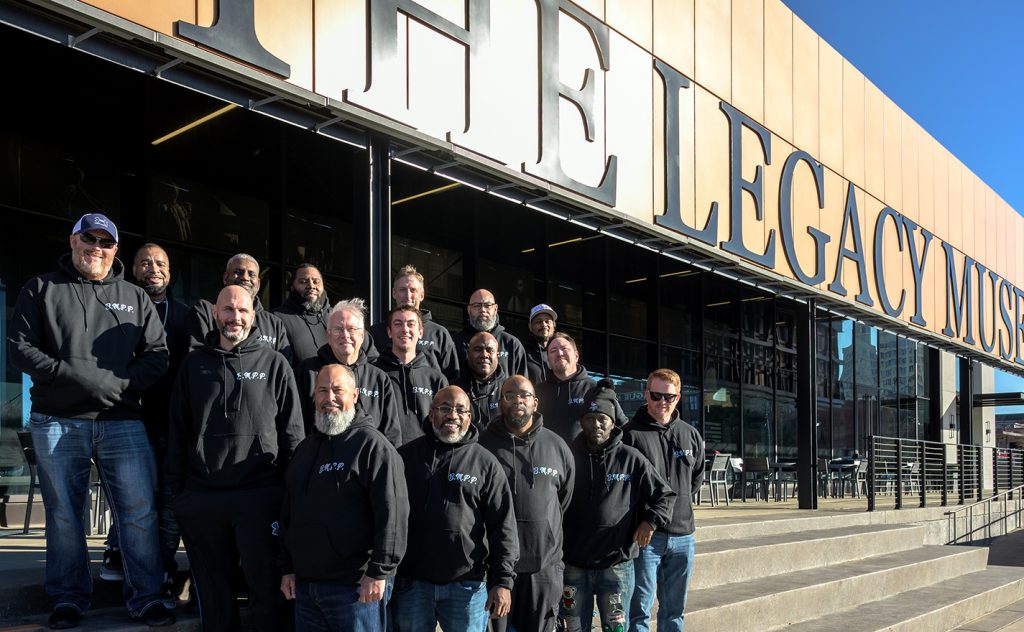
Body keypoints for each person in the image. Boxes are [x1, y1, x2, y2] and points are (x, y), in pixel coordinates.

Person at [10, 213, 173, 629]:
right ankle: (68, 598)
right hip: (57, 421)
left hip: (122, 422)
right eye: (89, 238)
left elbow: (158, 356)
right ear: (73, 240)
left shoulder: (133, 297)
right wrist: (71, 375)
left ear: (115, 250)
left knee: (138, 513)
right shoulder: (41, 288)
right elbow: (20, 348)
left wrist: (120, 384)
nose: (95, 248)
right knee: (65, 515)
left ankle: (147, 597)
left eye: (105, 242)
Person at [166, 285, 305, 632]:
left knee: (267, 587)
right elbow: (178, 432)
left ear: (253, 315)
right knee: (214, 593)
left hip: (260, 495)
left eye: (242, 310)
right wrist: (178, 496)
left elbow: (292, 434)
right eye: (228, 309)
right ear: (215, 313)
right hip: (202, 495)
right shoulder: (193, 365)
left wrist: (292, 494)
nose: (235, 317)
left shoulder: (275, 363)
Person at [279, 364, 409, 632]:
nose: (330, 398)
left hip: (355, 590)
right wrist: (286, 567)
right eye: (322, 391)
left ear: (355, 394)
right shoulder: (305, 450)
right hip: (306, 588)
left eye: (338, 390)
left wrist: (379, 572)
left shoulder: (373, 447)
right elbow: (288, 514)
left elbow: (393, 515)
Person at [392, 386, 519, 632]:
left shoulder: (485, 463)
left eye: (461, 410)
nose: (453, 415)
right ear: (431, 414)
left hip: (467, 587)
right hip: (411, 584)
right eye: (445, 408)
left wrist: (502, 581)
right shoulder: (404, 458)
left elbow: (503, 526)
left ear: (469, 417)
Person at [560, 380, 675, 632]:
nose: (596, 424)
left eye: (602, 418)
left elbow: (665, 496)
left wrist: (650, 521)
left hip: (616, 566)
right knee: (572, 629)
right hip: (573, 564)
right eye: (590, 418)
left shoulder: (631, 458)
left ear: (613, 422)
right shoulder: (566, 456)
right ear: (582, 421)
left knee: (617, 629)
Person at [479, 376, 574, 632]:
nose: (518, 400)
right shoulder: (481, 446)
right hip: (494, 569)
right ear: (500, 402)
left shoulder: (557, 446)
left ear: (535, 402)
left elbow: (563, 500)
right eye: (510, 395)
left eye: (524, 395)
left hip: (543, 569)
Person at [624, 369, 704, 632]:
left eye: (668, 397)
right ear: (647, 394)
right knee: (639, 611)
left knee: (674, 611)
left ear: (678, 398)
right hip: (646, 536)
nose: (662, 402)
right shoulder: (630, 434)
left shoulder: (690, 434)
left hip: (683, 535)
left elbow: (695, 480)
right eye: (656, 396)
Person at [297, 298, 402, 445]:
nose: (345, 335)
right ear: (328, 335)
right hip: (320, 460)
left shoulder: (378, 378)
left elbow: (391, 434)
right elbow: (296, 425)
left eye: (351, 329)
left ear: (362, 335)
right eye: (338, 329)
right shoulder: (308, 371)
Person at [186, 253, 292, 363]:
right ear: (225, 278)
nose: (245, 277)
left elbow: (284, 365)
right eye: (238, 272)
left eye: (251, 274)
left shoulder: (274, 323)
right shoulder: (205, 311)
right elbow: (196, 360)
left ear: (259, 284)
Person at [366, 265, 460, 381]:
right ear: (394, 293)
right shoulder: (376, 332)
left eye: (413, 290)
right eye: (402, 290)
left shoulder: (439, 334)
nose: (408, 295)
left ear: (422, 295)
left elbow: (453, 379)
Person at [373, 306, 448, 442]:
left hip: (425, 458)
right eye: (398, 324)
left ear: (420, 332)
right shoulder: (375, 374)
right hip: (385, 457)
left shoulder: (436, 379)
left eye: (410, 324)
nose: (405, 329)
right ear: (389, 332)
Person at [536, 333, 626, 443]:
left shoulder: (596, 389)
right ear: (548, 362)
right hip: (548, 458)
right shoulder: (537, 393)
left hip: (586, 459)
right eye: (553, 351)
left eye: (564, 348)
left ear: (576, 356)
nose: (559, 353)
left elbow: (623, 426)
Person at [453, 289, 527, 378]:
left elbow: (522, 384)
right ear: (469, 310)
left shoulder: (512, 344)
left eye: (488, 305)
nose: (483, 310)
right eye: (477, 305)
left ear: (495, 309)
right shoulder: (455, 342)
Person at [272, 263, 330, 369]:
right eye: (303, 281)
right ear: (292, 287)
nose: (311, 286)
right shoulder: (276, 317)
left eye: (316, 281)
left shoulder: (337, 316)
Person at [452, 332, 507, 428]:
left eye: (490, 350)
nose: (484, 355)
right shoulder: (454, 390)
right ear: (468, 354)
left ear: (497, 356)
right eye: (478, 349)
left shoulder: (508, 389)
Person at [522, 304, 556, 385]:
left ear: (554, 326)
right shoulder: (522, 353)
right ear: (530, 327)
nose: (544, 325)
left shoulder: (561, 352)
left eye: (547, 321)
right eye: (538, 322)